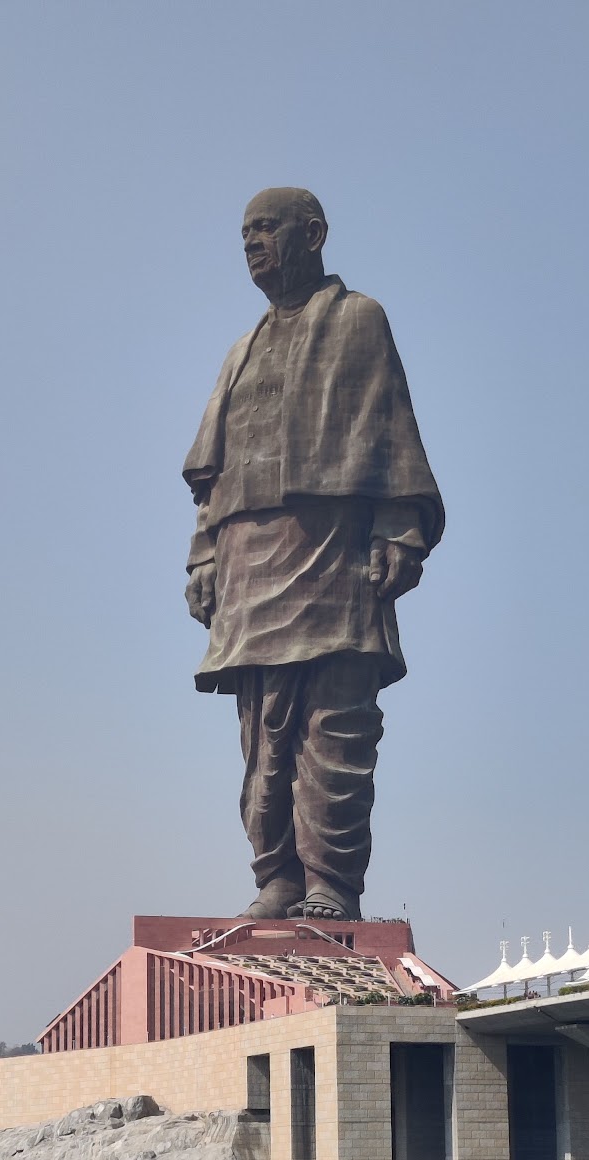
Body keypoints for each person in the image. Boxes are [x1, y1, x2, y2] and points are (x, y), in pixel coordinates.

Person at [183, 188, 443, 920]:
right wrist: (203, 557)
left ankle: (331, 882)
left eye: (266, 228)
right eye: (244, 232)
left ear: (314, 233)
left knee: (335, 724)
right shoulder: (242, 350)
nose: (251, 242)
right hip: (248, 557)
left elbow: (387, 428)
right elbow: (212, 476)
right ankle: (279, 878)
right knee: (263, 732)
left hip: (332, 553)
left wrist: (399, 529)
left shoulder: (358, 320)